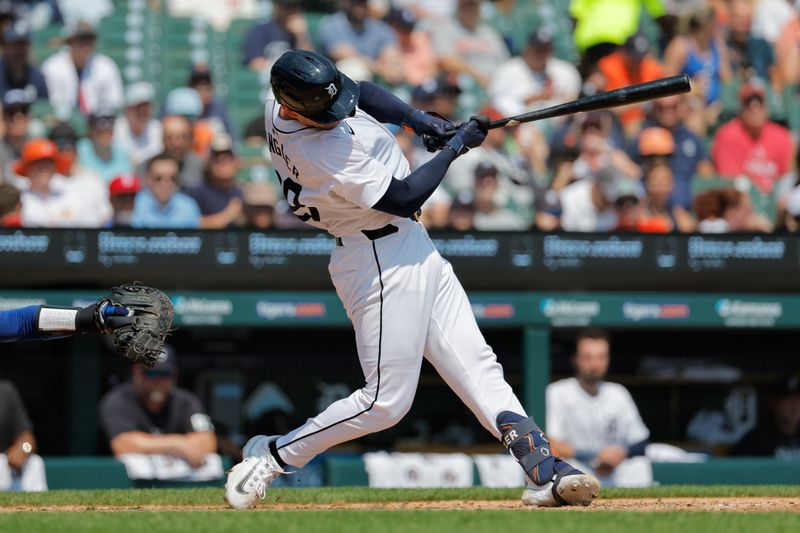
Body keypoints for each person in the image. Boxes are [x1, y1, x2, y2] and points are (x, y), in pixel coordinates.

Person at [224, 49, 599, 510]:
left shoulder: (286, 96)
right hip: (378, 257)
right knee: (385, 401)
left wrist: (417, 120)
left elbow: (362, 94)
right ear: (295, 107)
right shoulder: (322, 151)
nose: (339, 111)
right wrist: (456, 147)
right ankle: (276, 453)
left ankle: (544, 470)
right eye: (327, 110)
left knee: (478, 365)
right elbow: (402, 197)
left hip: (410, 245)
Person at [546, 328, 652, 487]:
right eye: (588, 357)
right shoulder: (557, 391)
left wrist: (619, 454)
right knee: (559, 467)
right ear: (575, 359)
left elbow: (641, 440)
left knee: (640, 465)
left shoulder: (618, 393)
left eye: (601, 357)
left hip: (614, 469)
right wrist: (596, 456)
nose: (594, 364)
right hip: (578, 467)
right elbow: (551, 444)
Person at [99, 348, 218, 471]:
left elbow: (208, 441)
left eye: (165, 374)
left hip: (178, 480)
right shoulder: (118, 400)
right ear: (137, 373)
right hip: (126, 482)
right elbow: (123, 445)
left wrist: (153, 445)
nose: (158, 381)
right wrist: (178, 444)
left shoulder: (186, 401)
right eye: (151, 373)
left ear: (174, 375)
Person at [711, 82, 794, 196]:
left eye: (759, 101)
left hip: (775, 201)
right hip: (742, 201)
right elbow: (729, 181)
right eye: (748, 102)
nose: (754, 107)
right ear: (740, 107)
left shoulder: (782, 136)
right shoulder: (727, 135)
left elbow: (786, 176)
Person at [16, 138, 112, 227]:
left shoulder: (69, 193)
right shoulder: (18, 197)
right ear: (27, 168)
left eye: (48, 163)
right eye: (38, 163)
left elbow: (90, 224)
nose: (44, 169)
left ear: (55, 167)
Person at [640, 94, 713, 210]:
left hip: (689, 204)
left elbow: (705, 172)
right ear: (654, 108)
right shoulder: (644, 135)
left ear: (681, 107)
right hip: (654, 205)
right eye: (661, 107)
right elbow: (633, 169)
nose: (667, 112)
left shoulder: (692, 138)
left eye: (673, 107)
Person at [488, 28, 581, 118]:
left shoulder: (565, 71)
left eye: (545, 50)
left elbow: (573, 99)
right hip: (522, 125)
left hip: (560, 125)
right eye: (537, 49)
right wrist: (535, 98)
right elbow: (498, 105)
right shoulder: (507, 71)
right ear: (527, 48)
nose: (541, 54)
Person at [41, 19, 123, 118]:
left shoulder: (106, 66)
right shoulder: (52, 67)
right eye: (82, 41)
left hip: (98, 124)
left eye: (90, 41)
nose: (86, 46)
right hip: (64, 124)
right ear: (70, 42)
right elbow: (52, 107)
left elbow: (114, 104)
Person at [318, 0, 402, 84]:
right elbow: (343, 54)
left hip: (374, 76)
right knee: (353, 68)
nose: (360, 7)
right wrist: (376, 67)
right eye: (356, 3)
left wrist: (390, 67)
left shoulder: (380, 28)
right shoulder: (331, 23)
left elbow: (391, 54)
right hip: (334, 80)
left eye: (363, 3)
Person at [662, 7, 732, 109]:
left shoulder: (717, 45)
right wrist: (692, 88)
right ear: (705, 26)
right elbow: (667, 83)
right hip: (688, 105)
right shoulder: (681, 46)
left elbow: (727, 80)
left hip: (715, 106)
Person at [431, 0, 510, 88]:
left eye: (473, 7)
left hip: (496, 82)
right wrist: (479, 77)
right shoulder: (446, 29)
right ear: (458, 7)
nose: (469, 11)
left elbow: (505, 63)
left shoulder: (488, 32)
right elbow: (447, 61)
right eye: (466, 6)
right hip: (466, 84)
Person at [597, 33, 665, 135]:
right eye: (634, 58)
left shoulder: (651, 67)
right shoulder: (608, 67)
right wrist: (643, 99)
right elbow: (608, 108)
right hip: (617, 124)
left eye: (640, 58)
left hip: (648, 119)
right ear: (623, 52)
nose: (637, 62)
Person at [733, 376, 800, 459]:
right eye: (788, 400)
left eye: (798, 399)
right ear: (773, 403)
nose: (795, 406)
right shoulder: (756, 441)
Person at [187, 133, 244, 229]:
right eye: (217, 156)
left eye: (228, 156)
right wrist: (228, 215)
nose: (223, 160)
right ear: (209, 162)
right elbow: (189, 223)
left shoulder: (241, 192)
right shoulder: (197, 193)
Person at [131, 152, 201, 229]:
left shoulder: (189, 206)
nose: (165, 184)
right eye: (158, 178)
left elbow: (194, 239)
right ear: (147, 179)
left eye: (172, 178)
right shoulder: (134, 205)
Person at [243, 0, 313, 73]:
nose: (291, 11)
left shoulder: (300, 31)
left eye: (295, 6)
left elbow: (310, 65)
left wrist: (301, 36)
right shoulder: (260, 30)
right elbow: (255, 64)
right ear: (277, 6)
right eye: (287, 6)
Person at [0, 380, 46, 491]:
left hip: (3, 466)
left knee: (35, 463)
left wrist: (23, 449)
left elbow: (27, 439)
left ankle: (36, 507)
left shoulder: (5, 391)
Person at [146, 115, 204, 190]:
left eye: (183, 137)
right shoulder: (148, 167)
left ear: (191, 139)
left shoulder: (201, 167)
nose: (176, 144)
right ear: (162, 139)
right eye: (170, 138)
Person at [114, 82, 163, 169]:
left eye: (146, 107)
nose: (142, 111)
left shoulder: (158, 129)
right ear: (126, 109)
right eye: (137, 107)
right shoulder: (115, 129)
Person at [76, 109, 133, 182]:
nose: (107, 128)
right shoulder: (81, 149)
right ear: (91, 129)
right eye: (101, 123)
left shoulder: (122, 151)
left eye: (111, 122)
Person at [725, 0, 774, 82]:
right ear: (730, 19)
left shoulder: (761, 45)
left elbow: (774, 72)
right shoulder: (722, 47)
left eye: (747, 17)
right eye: (738, 17)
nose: (743, 22)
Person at [0, 20, 49, 101]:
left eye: (22, 45)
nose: (19, 51)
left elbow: (43, 108)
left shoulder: (37, 77)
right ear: (5, 47)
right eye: (15, 45)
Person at [187, 65, 237, 143]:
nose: (203, 93)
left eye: (207, 89)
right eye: (199, 89)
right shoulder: (186, 110)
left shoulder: (219, 109)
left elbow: (233, 139)